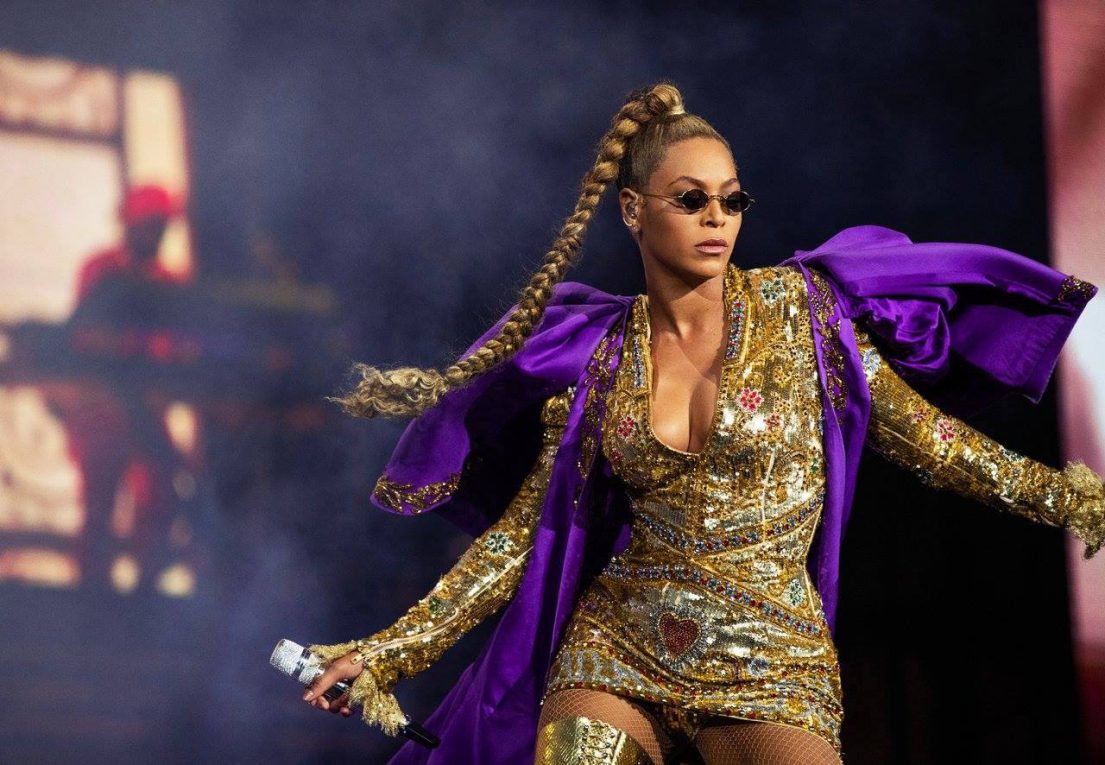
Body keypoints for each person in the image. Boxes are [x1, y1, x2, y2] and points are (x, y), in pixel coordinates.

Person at [300, 83, 1104, 764]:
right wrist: (383, 654)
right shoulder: (600, 355)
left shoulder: (804, 316)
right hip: (616, 647)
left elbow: (933, 443)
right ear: (631, 210)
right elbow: (519, 536)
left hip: (771, 652)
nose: (716, 217)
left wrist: (1078, 502)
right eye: (690, 199)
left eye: (731, 199)